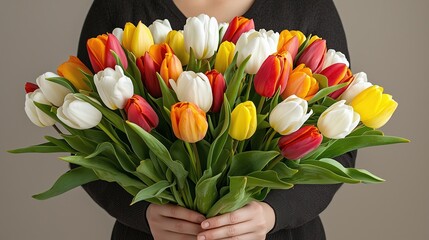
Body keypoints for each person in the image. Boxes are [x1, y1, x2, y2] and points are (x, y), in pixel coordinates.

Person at [75, 0, 356, 239]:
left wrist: (273, 214)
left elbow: (339, 149)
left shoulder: (306, 6)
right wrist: (142, 213)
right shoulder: (119, 5)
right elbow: (85, 143)